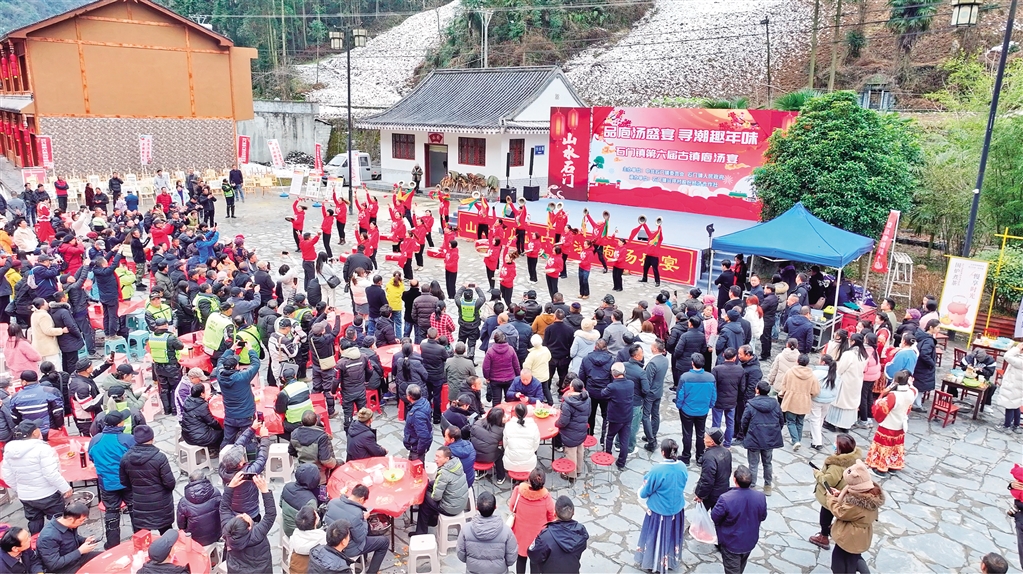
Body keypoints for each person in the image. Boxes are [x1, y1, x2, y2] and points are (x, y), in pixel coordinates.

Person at [1, 421, 72, 535]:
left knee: (34, 521)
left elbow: (8, 476)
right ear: (34, 432)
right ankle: (61, 542)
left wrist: (20, 489)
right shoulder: (42, 448)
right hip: (48, 494)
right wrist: (65, 488)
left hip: (26, 496)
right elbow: (51, 473)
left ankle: (35, 542)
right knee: (58, 521)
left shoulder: (9, 450)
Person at [635, 439, 687, 572]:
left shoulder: (658, 469)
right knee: (671, 538)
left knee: (655, 538)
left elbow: (646, 490)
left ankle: (653, 564)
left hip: (659, 511)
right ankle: (669, 562)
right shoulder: (682, 466)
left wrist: (641, 491)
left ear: (663, 452)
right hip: (676, 509)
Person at [87, 411, 136, 548]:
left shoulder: (95, 439)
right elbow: (136, 458)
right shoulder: (128, 439)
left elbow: (91, 457)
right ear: (120, 423)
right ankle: (141, 538)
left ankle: (112, 545)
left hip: (107, 483)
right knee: (134, 509)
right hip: (127, 482)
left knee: (111, 511)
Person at [827, 459, 884, 574]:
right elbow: (852, 502)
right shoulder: (871, 494)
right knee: (854, 556)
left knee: (839, 562)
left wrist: (830, 498)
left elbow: (840, 512)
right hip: (862, 534)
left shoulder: (856, 503)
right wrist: (840, 494)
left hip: (849, 536)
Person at [809, 433, 863, 550]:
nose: (833, 444)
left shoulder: (836, 466)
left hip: (832, 495)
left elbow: (828, 482)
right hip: (844, 493)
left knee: (825, 515)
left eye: (836, 443)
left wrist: (817, 474)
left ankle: (823, 536)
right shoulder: (854, 460)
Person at [711, 466, 768, 574]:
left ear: (734, 479)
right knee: (740, 566)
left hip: (731, 542)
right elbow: (763, 516)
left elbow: (715, 517)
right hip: (750, 540)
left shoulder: (725, 498)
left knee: (733, 570)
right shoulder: (760, 496)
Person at [120, 425, 175, 534]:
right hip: (161, 504)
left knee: (143, 536)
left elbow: (124, 482)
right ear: (152, 438)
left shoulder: (125, 458)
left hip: (140, 503)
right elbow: (170, 483)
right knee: (166, 535)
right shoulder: (160, 458)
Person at [323, 484, 390, 574]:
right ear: (361, 499)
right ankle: (372, 572)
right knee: (384, 542)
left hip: (332, 542)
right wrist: (364, 520)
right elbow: (360, 538)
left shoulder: (333, 502)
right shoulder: (357, 513)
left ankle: (363, 560)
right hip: (347, 548)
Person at [220, 472, 277, 573]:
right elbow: (270, 515)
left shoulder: (227, 531)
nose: (244, 514)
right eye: (244, 518)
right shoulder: (257, 533)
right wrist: (265, 491)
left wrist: (231, 486)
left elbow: (224, 509)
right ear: (249, 527)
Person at [865, 370, 917, 478]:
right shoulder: (911, 392)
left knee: (884, 447)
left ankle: (881, 469)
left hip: (889, 424)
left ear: (895, 381)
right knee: (895, 446)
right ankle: (893, 466)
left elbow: (882, 408)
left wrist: (881, 397)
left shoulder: (893, 395)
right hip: (900, 424)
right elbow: (908, 407)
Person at [412, 445, 469, 536]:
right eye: (435, 456)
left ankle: (421, 532)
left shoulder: (444, 473)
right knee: (430, 485)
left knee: (424, 498)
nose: (435, 459)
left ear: (447, 459)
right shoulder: (456, 463)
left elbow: (436, 497)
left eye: (438, 457)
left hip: (450, 509)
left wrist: (429, 493)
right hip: (460, 503)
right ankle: (432, 520)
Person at [457, 490, 518, 573]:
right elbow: (511, 558)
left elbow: (461, 555)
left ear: (477, 508)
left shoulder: (466, 529)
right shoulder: (506, 531)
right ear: (495, 507)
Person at [508, 467, 555, 574]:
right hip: (538, 538)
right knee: (535, 564)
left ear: (529, 480)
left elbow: (512, 507)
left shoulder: (518, 491)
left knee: (521, 560)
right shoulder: (546, 497)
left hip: (521, 534)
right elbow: (551, 517)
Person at [740, 381, 784, 495]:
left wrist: (746, 434)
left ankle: (752, 486)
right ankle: (768, 486)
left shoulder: (751, 404)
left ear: (757, 390)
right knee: (767, 463)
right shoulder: (775, 404)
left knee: (753, 464)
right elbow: (781, 420)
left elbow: (744, 422)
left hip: (754, 437)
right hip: (769, 438)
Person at [36, 502, 100, 574]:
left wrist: (84, 540)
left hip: (77, 558)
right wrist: (80, 551)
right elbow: (53, 564)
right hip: (64, 568)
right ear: (70, 519)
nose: (82, 522)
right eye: (81, 520)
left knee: (105, 558)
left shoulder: (68, 524)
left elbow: (73, 537)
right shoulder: (48, 537)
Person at [675, 353, 716, 465]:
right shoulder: (710, 377)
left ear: (692, 363)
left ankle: (686, 456)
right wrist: (710, 405)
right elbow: (713, 394)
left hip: (687, 410)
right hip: (702, 410)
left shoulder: (685, 377)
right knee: (700, 433)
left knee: (687, 434)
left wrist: (679, 406)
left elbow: (680, 394)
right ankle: (700, 456)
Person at [214, 349, 261, 447]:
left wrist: (230, 350)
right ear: (236, 366)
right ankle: (251, 456)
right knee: (248, 439)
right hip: (246, 415)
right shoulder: (243, 377)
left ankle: (224, 455)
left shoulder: (220, 375)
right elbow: (256, 364)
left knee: (227, 440)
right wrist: (251, 350)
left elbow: (220, 361)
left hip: (230, 415)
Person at [826, 333, 869, 433]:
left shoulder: (848, 354)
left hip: (846, 381)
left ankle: (831, 423)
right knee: (850, 404)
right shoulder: (864, 354)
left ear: (853, 342)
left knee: (839, 402)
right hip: (857, 381)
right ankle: (845, 425)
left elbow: (841, 369)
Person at [778, 354, 821, 450]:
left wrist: (783, 394)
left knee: (790, 421)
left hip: (791, 400)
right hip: (804, 402)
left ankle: (795, 440)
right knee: (800, 422)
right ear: (808, 363)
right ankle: (798, 439)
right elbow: (815, 391)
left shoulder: (790, 372)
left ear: (797, 361)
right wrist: (808, 395)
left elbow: (783, 385)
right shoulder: (812, 375)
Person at [176, 469, 223, 548]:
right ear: (205, 478)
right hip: (216, 534)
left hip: (195, 540)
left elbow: (181, 525)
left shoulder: (184, 502)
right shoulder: (216, 492)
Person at [289, 410, 338, 484]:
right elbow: (325, 460)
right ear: (316, 421)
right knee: (339, 464)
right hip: (320, 476)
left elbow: (291, 451)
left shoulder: (294, 434)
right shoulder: (322, 437)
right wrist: (335, 463)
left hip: (303, 470)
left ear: (301, 422)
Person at [556, 378, 591, 482]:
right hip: (582, 429)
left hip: (570, 432)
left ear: (571, 388)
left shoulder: (568, 403)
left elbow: (564, 421)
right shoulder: (587, 399)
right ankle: (579, 470)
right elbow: (589, 413)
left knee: (570, 453)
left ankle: (571, 475)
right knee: (580, 450)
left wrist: (556, 424)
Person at [601, 362, 634, 469]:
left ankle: (607, 456)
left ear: (613, 374)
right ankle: (621, 462)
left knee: (609, 436)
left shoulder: (612, 387)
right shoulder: (631, 384)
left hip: (615, 418)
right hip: (627, 416)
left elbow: (603, 394)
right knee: (624, 441)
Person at [280, 463, 320, 539]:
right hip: (300, 535)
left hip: (287, 528)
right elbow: (314, 524)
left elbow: (280, 504)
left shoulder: (287, 486)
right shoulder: (310, 501)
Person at [694, 429, 731, 511]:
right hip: (723, 490)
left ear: (712, 442)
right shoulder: (726, 452)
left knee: (701, 514)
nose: (704, 439)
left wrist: (700, 495)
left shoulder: (709, 458)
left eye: (706, 437)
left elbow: (707, 480)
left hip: (711, 494)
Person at [808, 355, 839, 450]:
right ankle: (816, 432)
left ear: (823, 362)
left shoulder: (816, 373)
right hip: (829, 400)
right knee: (821, 417)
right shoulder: (836, 374)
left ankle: (817, 442)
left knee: (815, 419)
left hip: (817, 399)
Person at [180, 383, 224, 449]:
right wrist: (220, 427)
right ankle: (216, 449)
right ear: (202, 394)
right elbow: (211, 422)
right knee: (222, 432)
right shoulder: (201, 406)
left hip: (187, 435)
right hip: (198, 438)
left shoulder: (188, 401)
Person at [483, 331, 521, 406]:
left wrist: (487, 377)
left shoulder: (490, 351)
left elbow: (486, 367)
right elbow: (516, 365)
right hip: (510, 378)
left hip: (495, 379)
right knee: (510, 400)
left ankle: (496, 413)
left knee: (496, 401)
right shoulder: (510, 349)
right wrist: (518, 375)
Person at [472, 407, 508, 485]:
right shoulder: (501, 430)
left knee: (484, 447)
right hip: (487, 457)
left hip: (474, 455)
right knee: (500, 454)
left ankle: (480, 472)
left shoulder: (477, 423)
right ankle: (500, 476)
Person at [503, 402, 541, 476]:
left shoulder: (508, 425)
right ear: (526, 413)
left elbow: (505, 445)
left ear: (515, 413)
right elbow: (536, 446)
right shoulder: (533, 426)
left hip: (510, 464)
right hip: (529, 464)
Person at [911, 319, 940, 412]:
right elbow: (924, 353)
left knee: (918, 385)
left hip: (919, 365)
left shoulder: (922, 336)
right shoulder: (929, 340)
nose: (939, 329)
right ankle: (917, 405)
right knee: (920, 387)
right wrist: (932, 363)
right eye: (937, 327)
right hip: (924, 367)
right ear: (931, 327)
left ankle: (916, 403)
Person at [403, 385, 433, 461]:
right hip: (416, 442)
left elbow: (423, 436)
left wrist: (419, 451)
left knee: (416, 466)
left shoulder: (417, 415)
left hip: (416, 447)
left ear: (409, 397)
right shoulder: (424, 402)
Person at [998, 343, 1023, 433]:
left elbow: (1007, 356)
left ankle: (1007, 426)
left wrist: (1017, 348)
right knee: (1016, 405)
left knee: (1009, 405)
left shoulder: (1020, 361)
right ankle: (1016, 425)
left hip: (1012, 385)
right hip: (1019, 386)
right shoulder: (1019, 358)